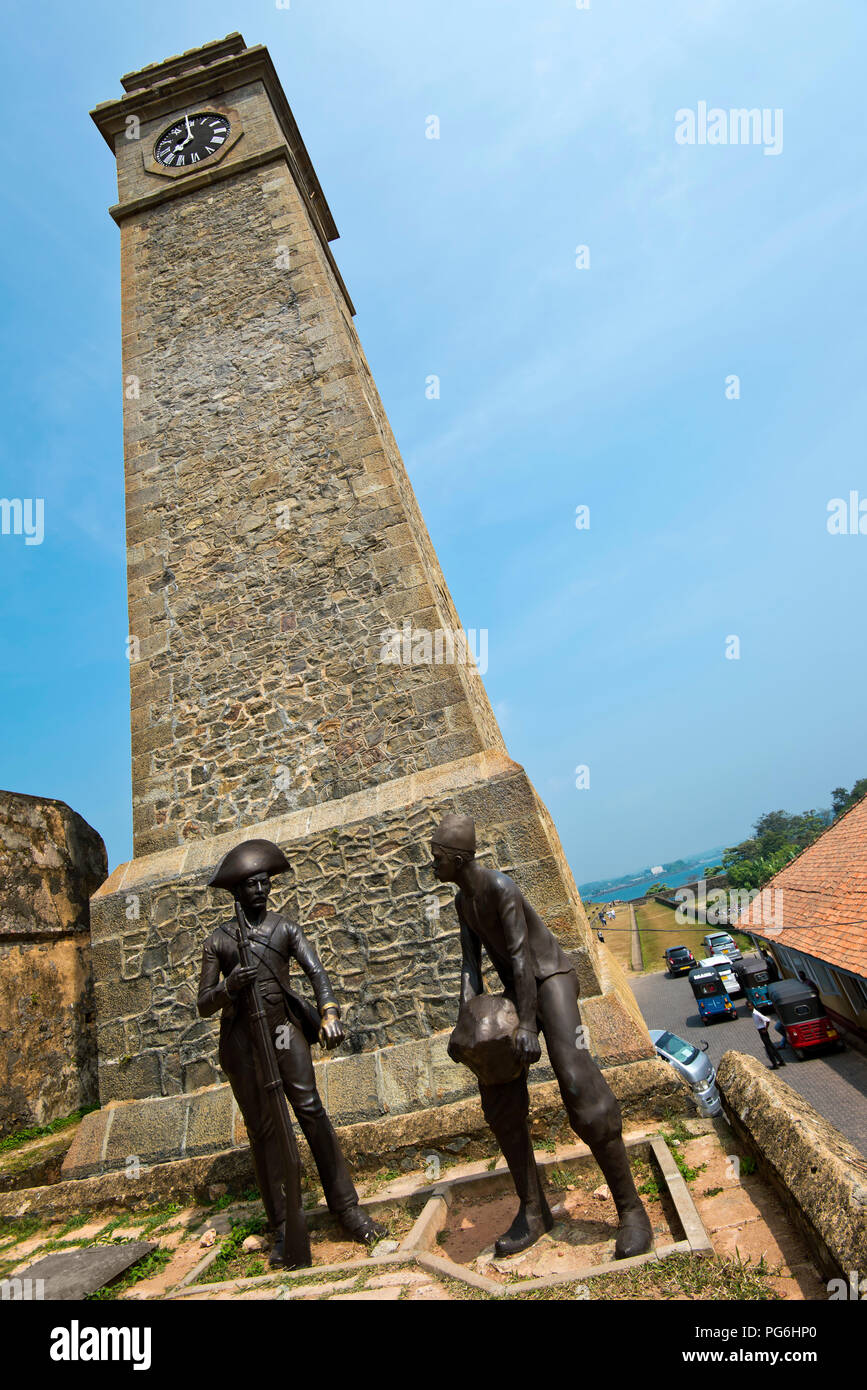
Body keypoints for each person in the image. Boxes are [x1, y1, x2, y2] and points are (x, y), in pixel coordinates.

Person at [431, 813, 652, 1259]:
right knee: (497, 1094)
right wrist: (465, 1025)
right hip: (519, 985)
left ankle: (631, 1210)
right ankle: (533, 1209)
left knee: (575, 1076)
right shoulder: (463, 903)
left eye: (436, 858)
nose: (432, 866)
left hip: (550, 978)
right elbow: (471, 966)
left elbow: (518, 954)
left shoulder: (500, 888)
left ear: (455, 859)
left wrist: (529, 1027)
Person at [198, 838, 384, 1263]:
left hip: (283, 1032)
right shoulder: (219, 941)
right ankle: (282, 1225)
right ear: (237, 892)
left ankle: (347, 1208)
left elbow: (316, 972)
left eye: (264, 883)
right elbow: (203, 1002)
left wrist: (330, 1013)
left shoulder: (285, 928)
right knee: (264, 1132)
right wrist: (231, 986)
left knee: (311, 1111)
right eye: (251, 885)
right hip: (244, 1043)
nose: (260, 891)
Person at [753, 1003, 785, 1069]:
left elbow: (767, 1020)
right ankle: (781, 1061)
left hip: (762, 1031)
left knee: (768, 1048)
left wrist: (765, 1029)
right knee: (772, 1046)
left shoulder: (756, 1013)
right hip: (761, 1030)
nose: (749, 1007)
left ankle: (775, 1064)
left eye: (750, 1006)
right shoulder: (754, 1013)